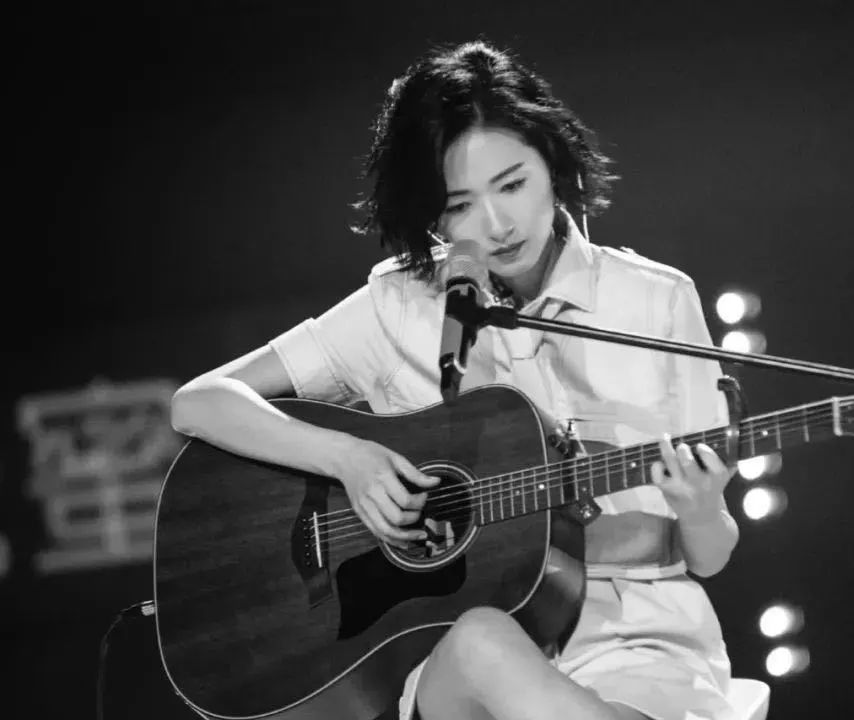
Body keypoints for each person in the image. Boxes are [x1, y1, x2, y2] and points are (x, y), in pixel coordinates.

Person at [171, 40, 768, 720]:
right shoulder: (399, 307)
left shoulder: (655, 300)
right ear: (429, 214)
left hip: (638, 645)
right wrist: (349, 459)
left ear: (553, 163)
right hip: (459, 668)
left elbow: (710, 556)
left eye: (512, 185)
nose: (496, 224)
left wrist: (700, 507)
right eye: (459, 205)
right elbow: (199, 403)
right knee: (483, 638)